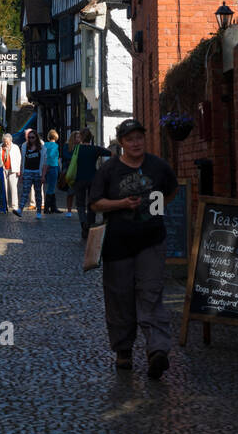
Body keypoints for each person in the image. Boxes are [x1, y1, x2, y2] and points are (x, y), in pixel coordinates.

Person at [88, 117, 178, 377]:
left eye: (139, 137)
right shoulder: (109, 170)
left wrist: (155, 208)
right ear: (121, 143)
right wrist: (121, 205)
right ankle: (123, 351)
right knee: (120, 299)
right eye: (130, 139)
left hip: (151, 241)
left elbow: (170, 191)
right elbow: (95, 203)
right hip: (117, 245)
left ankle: (157, 351)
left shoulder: (158, 166)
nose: (136, 143)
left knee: (151, 293)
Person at [73, 129, 113, 240]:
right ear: (91, 138)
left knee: (80, 204)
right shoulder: (95, 149)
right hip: (93, 178)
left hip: (79, 178)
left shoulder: (77, 149)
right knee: (92, 203)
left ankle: (83, 223)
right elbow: (111, 153)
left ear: (81, 137)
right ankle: (90, 225)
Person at [19, 129, 45, 218]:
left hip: (38, 172)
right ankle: (20, 209)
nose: (30, 139)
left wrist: (43, 175)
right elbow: (22, 160)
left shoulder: (41, 147)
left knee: (38, 192)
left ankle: (38, 211)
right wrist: (21, 174)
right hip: (27, 171)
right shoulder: (24, 146)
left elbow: (45, 161)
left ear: (36, 138)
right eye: (29, 137)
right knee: (25, 191)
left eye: (32, 137)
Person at [0, 132, 21, 213]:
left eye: (7, 141)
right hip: (3, 169)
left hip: (13, 170)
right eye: (4, 141)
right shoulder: (0, 147)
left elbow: (19, 159)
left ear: (11, 140)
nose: (6, 143)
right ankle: (4, 205)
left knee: (13, 188)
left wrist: (18, 169)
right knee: (4, 188)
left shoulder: (15, 147)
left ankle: (14, 206)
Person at [42, 130, 61, 213]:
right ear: (56, 137)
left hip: (46, 167)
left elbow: (44, 155)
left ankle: (53, 207)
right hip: (53, 166)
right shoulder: (55, 145)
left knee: (51, 187)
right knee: (51, 188)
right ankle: (47, 208)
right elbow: (51, 155)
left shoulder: (45, 145)